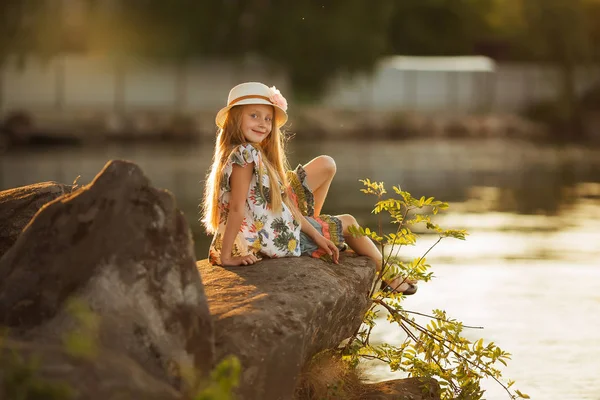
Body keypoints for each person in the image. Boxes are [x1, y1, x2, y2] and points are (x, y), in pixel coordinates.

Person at [201, 82, 417, 295]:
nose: (263, 124)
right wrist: (227, 257)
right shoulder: (246, 155)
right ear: (235, 118)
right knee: (349, 223)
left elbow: (284, 206)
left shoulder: (250, 153)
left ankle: (384, 270)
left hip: (271, 231)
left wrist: (316, 235)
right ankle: (391, 276)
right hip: (269, 239)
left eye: (268, 119)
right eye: (254, 116)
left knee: (335, 204)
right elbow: (237, 208)